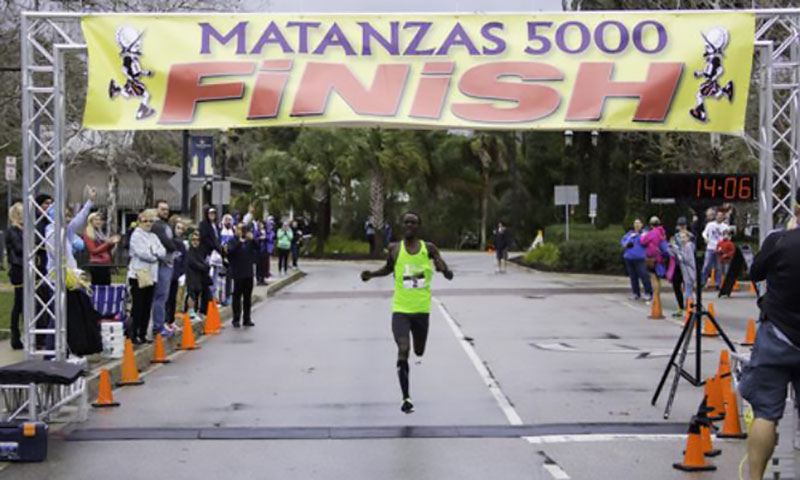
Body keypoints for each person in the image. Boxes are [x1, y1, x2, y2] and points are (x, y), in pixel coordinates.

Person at [360, 212, 454, 414]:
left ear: (418, 226)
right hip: (401, 310)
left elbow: (447, 272)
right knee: (403, 349)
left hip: (421, 311)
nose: (409, 225)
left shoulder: (429, 248)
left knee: (419, 351)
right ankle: (406, 398)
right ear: (402, 225)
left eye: (413, 222)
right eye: (406, 222)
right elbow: (388, 268)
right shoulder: (394, 248)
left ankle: (407, 391)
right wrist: (371, 275)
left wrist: (443, 269)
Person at [740, 200, 800, 480]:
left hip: (777, 335)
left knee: (766, 412)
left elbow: (755, 273)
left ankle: (755, 478)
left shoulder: (780, 242)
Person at [126, 209, 166, 345]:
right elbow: (143, 253)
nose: (148, 224)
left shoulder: (153, 236)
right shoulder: (136, 235)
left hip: (152, 275)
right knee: (138, 305)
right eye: (145, 221)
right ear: (139, 222)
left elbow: (163, 251)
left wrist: (154, 253)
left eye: (151, 221)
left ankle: (143, 333)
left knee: (147, 305)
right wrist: (154, 254)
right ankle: (133, 333)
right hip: (139, 274)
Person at [150, 200, 181, 338]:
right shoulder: (156, 225)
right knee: (160, 297)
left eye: (167, 209)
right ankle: (158, 326)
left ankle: (163, 323)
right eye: (162, 209)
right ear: (156, 210)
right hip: (162, 264)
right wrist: (175, 245)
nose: (165, 212)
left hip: (168, 263)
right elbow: (167, 242)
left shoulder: (166, 225)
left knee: (165, 296)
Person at [227, 224, 258, 328]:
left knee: (247, 298)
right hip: (237, 273)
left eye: (244, 230)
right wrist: (239, 242)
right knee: (236, 297)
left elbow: (258, 249)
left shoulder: (249, 242)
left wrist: (253, 239)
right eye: (240, 229)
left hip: (248, 273)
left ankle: (247, 318)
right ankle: (236, 319)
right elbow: (230, 252)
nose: (242, 232)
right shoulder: (233, 241)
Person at [83, 212, 121, 286]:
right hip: (97, 263)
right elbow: (93, 250)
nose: (98, 221)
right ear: (90, 221)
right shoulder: (88, 233)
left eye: (100, 220)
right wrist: (108, 243)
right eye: (95, 220)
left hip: (105, 263)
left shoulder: (100, 233)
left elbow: (106, 249)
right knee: (98, 286)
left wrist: (112, 242)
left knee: (107, 285)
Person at [5, 203, 24, 350]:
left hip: (24, 268)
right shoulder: (13, 231)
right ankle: (15, 336)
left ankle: (22, 335)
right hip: (18, 269)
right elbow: (19, 248)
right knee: (19, 303)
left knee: (24, 304)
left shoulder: (22, 230)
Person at [620, 218, 652, 301]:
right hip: (629, 258)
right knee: (633, 277)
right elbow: (623, 242)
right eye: (635, 223)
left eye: (638, 223)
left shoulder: (644, 233)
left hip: (640, 258)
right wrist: (628, 242)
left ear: (642, 224)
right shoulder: (630, 233)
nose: (637, 225)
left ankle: (648, 293)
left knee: (644, 276)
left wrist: (640, 236)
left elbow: (645, 241)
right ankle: (636, 293)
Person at [165, 217, 187, 334]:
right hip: (167, 274)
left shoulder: (182, 245)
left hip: (176, 275)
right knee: (166, 299)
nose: (179, 230)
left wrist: (182, 274)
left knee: (173, 298)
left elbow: (184, 260)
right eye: (178, 228)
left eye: (182, 229)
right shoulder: (169, 242)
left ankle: (171, 321)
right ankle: (164, 321)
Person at [670, 217, 696, 315]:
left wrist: (678, 251)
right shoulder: (676, 236)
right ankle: (682, 306)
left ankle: (689, 306)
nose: (681, 227)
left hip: (686, 264)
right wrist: (672, 249)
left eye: (683, 225)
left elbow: (691, 252)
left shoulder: (691, 237)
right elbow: (672, 250)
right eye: (680, 225)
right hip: (678, 264)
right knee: (676, 284)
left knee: (688, 285)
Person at [185, 231, 211, 319]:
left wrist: (205, 266)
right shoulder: (189, 252)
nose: (195, 242)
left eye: (197, 240)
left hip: (199, 276)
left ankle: (197, 311)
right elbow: (194, 263)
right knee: (191, 294)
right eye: (193, 240)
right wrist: (204, 267)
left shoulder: (200, 251)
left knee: (198, 293)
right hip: (191, 276)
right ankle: (191, 311)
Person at [702, 209, 728, 288]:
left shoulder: (725, 226)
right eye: (718, 216)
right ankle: (703, 282)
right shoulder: (710, 225)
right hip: (710, 247)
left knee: (719, 267)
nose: (719, 217)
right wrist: (706, 238)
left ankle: (718, 283)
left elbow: (727, 237)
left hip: (720, 248)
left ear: (723, 217)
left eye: (721, 216)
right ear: (716, 216)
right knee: (706, 265)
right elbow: (704, 233)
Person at [219, 214, 236, 304]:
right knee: (220, 279)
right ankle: (220, 297)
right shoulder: (220, 231)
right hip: (221, 258)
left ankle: (228, 296)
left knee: (229, 279)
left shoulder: (233, 231)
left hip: (231, 259)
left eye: (230, 220)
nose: (228, 222)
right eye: (227, 220)